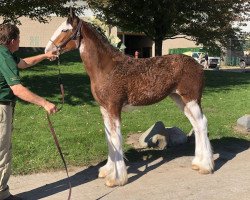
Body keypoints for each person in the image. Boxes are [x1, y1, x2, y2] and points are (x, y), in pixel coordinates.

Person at [0, 23, 58, 200]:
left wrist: (45, 55)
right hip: (1, 108)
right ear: (12, 40)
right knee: (2, 153)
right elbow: (17, 88)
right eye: (18, 38)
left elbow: (24, 63)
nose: (20, 41)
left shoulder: (6, 53)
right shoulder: (4, 56)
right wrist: (45, 103)